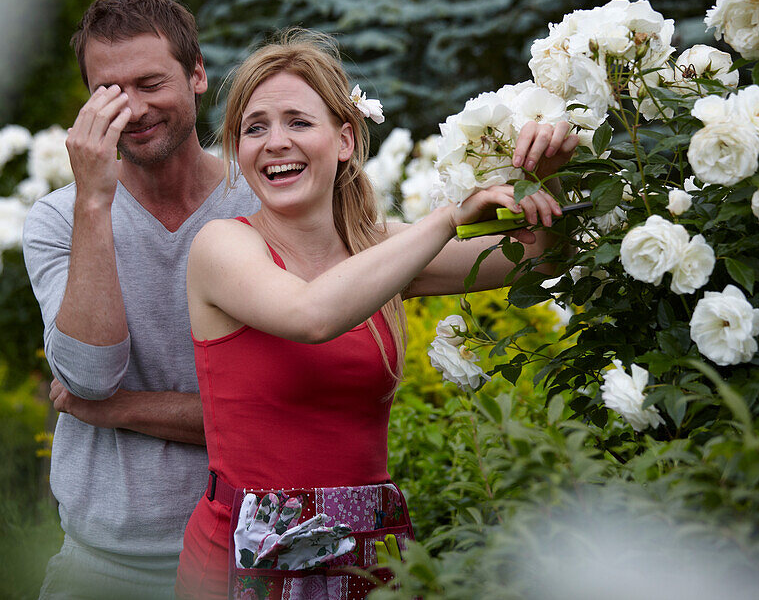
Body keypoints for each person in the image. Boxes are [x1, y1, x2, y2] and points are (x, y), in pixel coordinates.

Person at [174, 30, 576, 599]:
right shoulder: (222, 247)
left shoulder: (379, 249)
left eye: (298, 121)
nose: (274, 142)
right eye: (254, 127)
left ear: (343, 140)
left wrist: (545, 172)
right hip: (248, 556)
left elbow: (538, 262)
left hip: (371, 549)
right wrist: (447, 219)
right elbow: (311, 314)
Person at [22, 0, 258, 600]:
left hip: (251, 558)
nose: (134, 108)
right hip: (102, 569)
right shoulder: (58, 219)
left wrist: (119, 410)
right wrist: (94, 200)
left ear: (198, 74)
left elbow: (265, 413)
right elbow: (92, 373)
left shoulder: (262, 202)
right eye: (110, 92)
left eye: (151, 84)